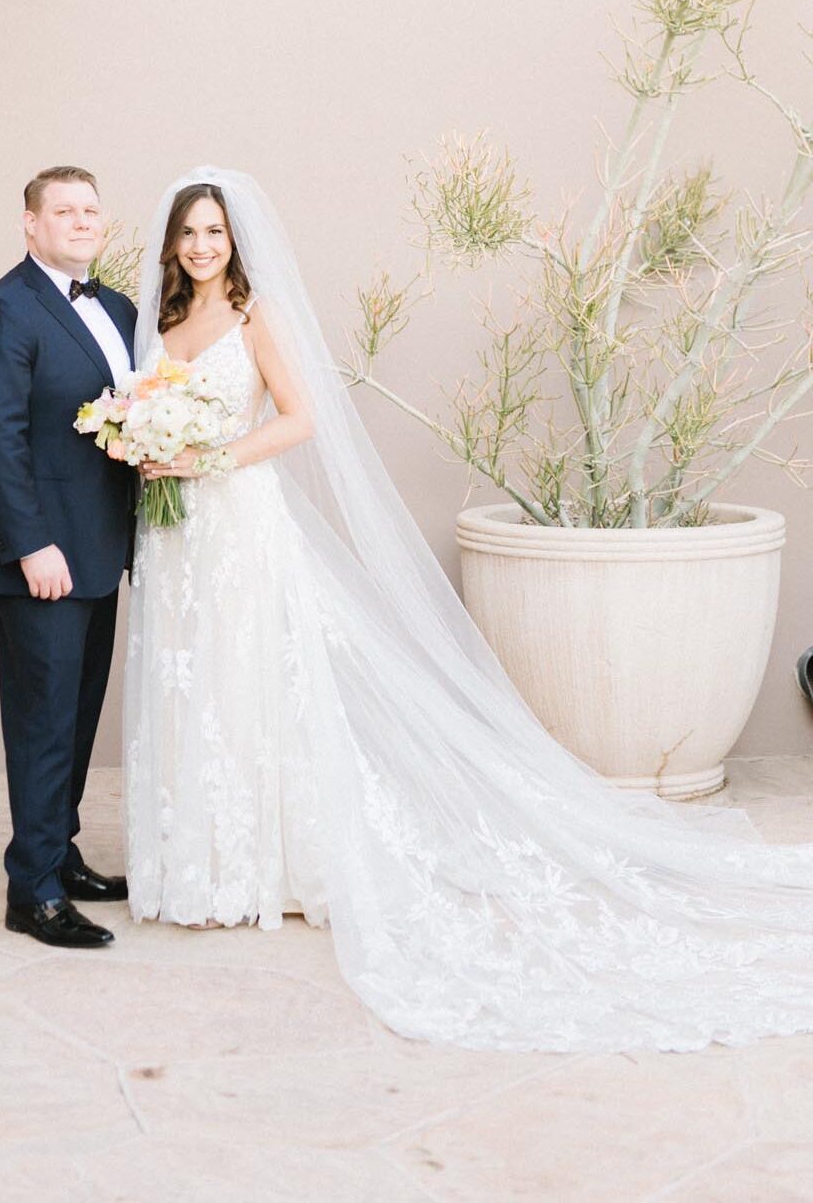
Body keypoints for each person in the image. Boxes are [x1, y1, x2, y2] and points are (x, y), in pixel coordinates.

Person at [124, 166, 813, 1053]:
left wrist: (209, 461)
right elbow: (149, 409)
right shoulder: (167, 320)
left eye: (215, 231)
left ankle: (261, 867)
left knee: (251, 678)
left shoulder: (258, 317)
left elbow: (302, 419)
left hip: (240, 524)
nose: (202, 246)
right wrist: (148, 449)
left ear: (235, 241)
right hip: (176, 539)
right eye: (190, 233)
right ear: (173, 243)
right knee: (193, 682)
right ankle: (196, 868)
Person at [0, 165, 136, 949]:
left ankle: (59, 854)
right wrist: (31, 544)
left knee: (78, 711)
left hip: (100, 545)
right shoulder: (2, 310)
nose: (80, 220)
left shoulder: (119, 307)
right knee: (41, 721)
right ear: (30, 224)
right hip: (44, 554)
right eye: (62, 210)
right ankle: (30, 890)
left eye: (90, 209)